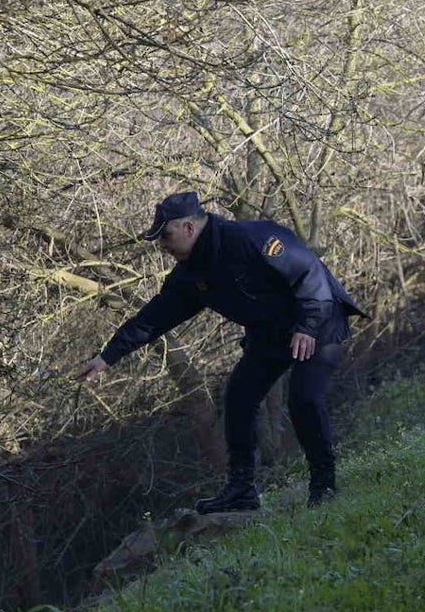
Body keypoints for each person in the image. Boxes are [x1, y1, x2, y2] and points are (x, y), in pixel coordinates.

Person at [77, 191, 366, 512]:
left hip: (317, 320)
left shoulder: (250, 238)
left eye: (166, 236)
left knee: (304, 398)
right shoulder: (190, 275)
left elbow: (309, 273)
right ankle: (241, 490)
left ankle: (324, 484)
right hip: (269, 334)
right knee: (239, 399)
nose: (162, 245)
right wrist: (108, 356)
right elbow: (153, 318)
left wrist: (308, 325)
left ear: (189, 227)